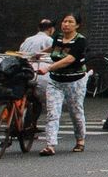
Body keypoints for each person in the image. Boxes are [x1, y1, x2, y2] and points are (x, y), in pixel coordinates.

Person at [38, 13, 88, 154]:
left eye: (70, 22)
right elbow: (52, 50)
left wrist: (48, 68)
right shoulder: (58, 37)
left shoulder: (80, 41)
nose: (66, 24)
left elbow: (70, 59)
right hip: (55, 81)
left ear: (77, 25)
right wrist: (35, 54)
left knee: (75, 111)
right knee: (52, 112)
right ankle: (50, 145)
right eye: (64, 21)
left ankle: (80, 140)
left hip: (75, 81)